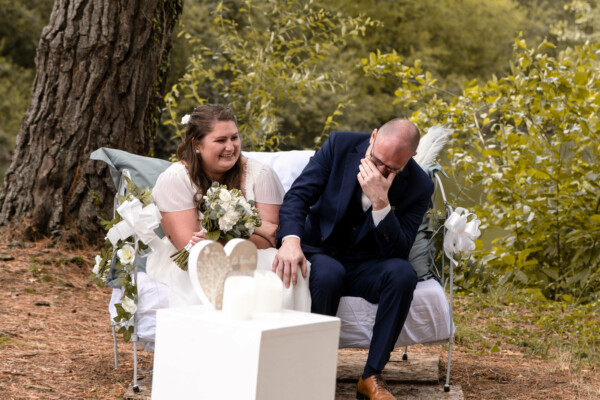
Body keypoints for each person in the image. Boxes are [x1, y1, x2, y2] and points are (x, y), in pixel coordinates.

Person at [272, 119, 433, 400]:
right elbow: (298, 196)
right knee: (329, 275)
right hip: (322, 251)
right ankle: (314, 371)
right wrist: (291, 240)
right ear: (372, 138)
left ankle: (371, 375)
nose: (381, 171)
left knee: (403, 274)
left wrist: (382, 203)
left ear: (411, 158)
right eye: (377, 160)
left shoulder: (419, 186)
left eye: (392, 168)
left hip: (366, 264)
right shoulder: (339, 145)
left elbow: (399, 250)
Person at [147, 104, 310, 311]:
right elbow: (189, 245)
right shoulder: (175, 179)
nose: (231, 147)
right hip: (199, 260)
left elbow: (271, 240)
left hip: (253, 256)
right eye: (221, 140)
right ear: (197, 144)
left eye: (234, 138)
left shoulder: (261, 175)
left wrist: (222, 238)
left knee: (279, 265)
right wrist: (251, 230)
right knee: (208, 269)